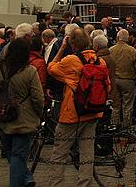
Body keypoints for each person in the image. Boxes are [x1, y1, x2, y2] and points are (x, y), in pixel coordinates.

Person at [46, 28, 110, 187]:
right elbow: (107, 87)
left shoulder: (71, 60)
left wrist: (61, 48)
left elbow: (51, 68)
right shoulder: (99, 61)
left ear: (73, 44)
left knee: (60, 153)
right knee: (87, 153)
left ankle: (56, 184)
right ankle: (84, 184)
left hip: (72, 114)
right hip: (93, 112)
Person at [0, 38, 43, 187]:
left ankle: (25, 178)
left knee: (11, 153)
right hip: (24, 119)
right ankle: (23, 179)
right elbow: (37, 97)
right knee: (18, 155)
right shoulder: (29, 71)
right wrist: (38, 114)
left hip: (2, 118)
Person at [109, 29, 136, 129]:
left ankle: (114, 127)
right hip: (128, 80)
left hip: (114, 80)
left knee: (115, 106)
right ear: (127, 38)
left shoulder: (111, 50)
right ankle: (126, 129)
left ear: (118, 37)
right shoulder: (132, 50)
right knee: (127, 106)